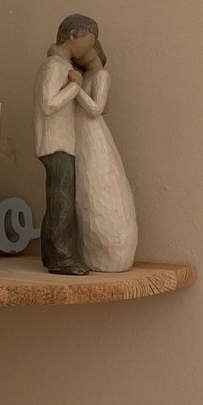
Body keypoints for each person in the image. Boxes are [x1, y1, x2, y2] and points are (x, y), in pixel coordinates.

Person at [32, 14, 99, 275]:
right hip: (56, 142)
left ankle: (51, 253)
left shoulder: (60, 65)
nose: (91, 46)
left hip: (60, 141)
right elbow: (48, 104)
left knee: (57, 199)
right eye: (89, 40)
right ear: (72, 36)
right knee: (62, 200)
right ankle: (62, 256)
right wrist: (75, 86)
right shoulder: (54, 66)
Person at [68, 33, 138, 272]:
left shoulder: (102, 75)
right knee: (85, 191)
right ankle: (91, 251)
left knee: (100, 184)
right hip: (82, 136)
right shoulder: (88, 76)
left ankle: (112, 252)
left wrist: (76, 88)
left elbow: (96, 109)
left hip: (93, 135)